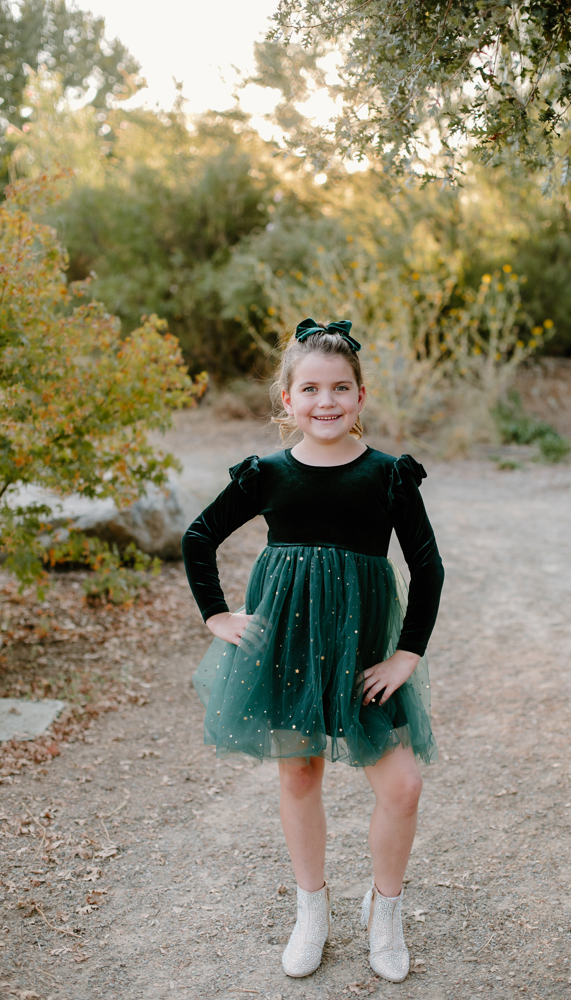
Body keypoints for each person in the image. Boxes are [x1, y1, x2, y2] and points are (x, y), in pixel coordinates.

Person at [182, 318, 444, 983]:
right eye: (309, 389)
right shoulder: (267, 475)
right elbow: (198, 536)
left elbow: (427, 567)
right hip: (290, 652)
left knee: (403, 785)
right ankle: (312, 911)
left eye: (338, 388)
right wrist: (216, 614)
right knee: (298, 775)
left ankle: (384, 911)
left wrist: (406, 655)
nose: (324, 401)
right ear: (287, 400)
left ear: (359, 398)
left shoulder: (387, 477)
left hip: (362, 659)